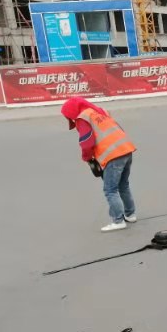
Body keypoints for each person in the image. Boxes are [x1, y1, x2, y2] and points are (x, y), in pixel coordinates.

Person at [61, 97, 137, 232]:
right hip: (126, 149)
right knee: (123, 185)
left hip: (113, 155)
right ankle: (130, 214)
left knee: (110, 190)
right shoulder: (99, 112)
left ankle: (118, 221)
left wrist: (87, 158)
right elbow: (118, 128)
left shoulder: (83, 118)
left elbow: (86, 142)